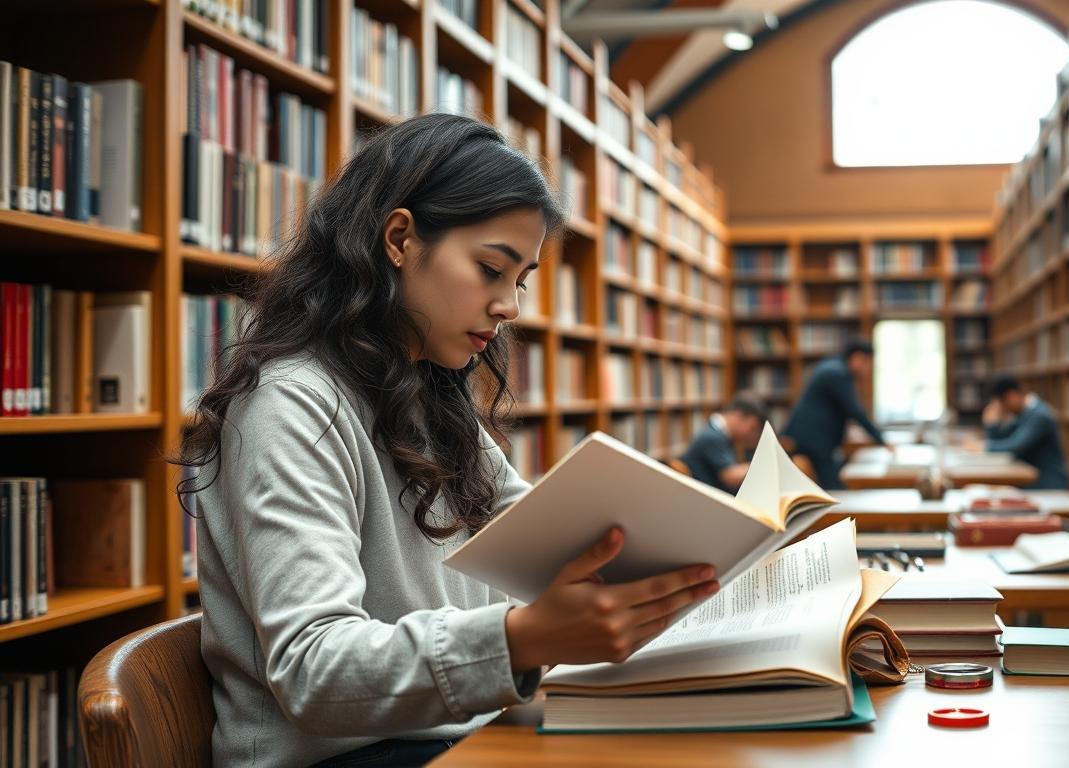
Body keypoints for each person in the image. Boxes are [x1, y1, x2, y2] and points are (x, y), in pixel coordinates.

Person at [172, 115, 719, 767]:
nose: (510, 306)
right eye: (492, 269)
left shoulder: (428, 392)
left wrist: (714, 577)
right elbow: (312, 669)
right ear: (400, 238)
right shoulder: (290, 402)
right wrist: (517, 641)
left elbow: (540, 535)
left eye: (520, 280)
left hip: (459, 740)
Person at [782, 339, 886, 489]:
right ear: (856, 357)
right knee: (836, 489)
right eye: (866, 362)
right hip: (814, 440)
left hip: (811, 437)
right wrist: (881, 440)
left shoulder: (834, 368)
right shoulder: (837, 374)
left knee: (835, 485)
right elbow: (855, 410)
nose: (867, 368)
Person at [969, 374, 1069, 490]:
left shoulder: (1040, 415)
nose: (1001, 408)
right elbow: (1003, 441)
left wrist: (983, 446)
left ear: (1012, 395)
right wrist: (992, 425)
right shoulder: (1023, 413)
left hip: (1047, 483)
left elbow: (1014, 447)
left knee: (990, 492)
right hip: (1031, 478)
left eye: (1001, 403)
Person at [680, 393, 768, 492]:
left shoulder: (719, 434)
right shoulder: (712, 437)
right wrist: (764, 466)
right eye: (752, 428)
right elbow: (730, 476)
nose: (753, 435)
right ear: (738, 416)